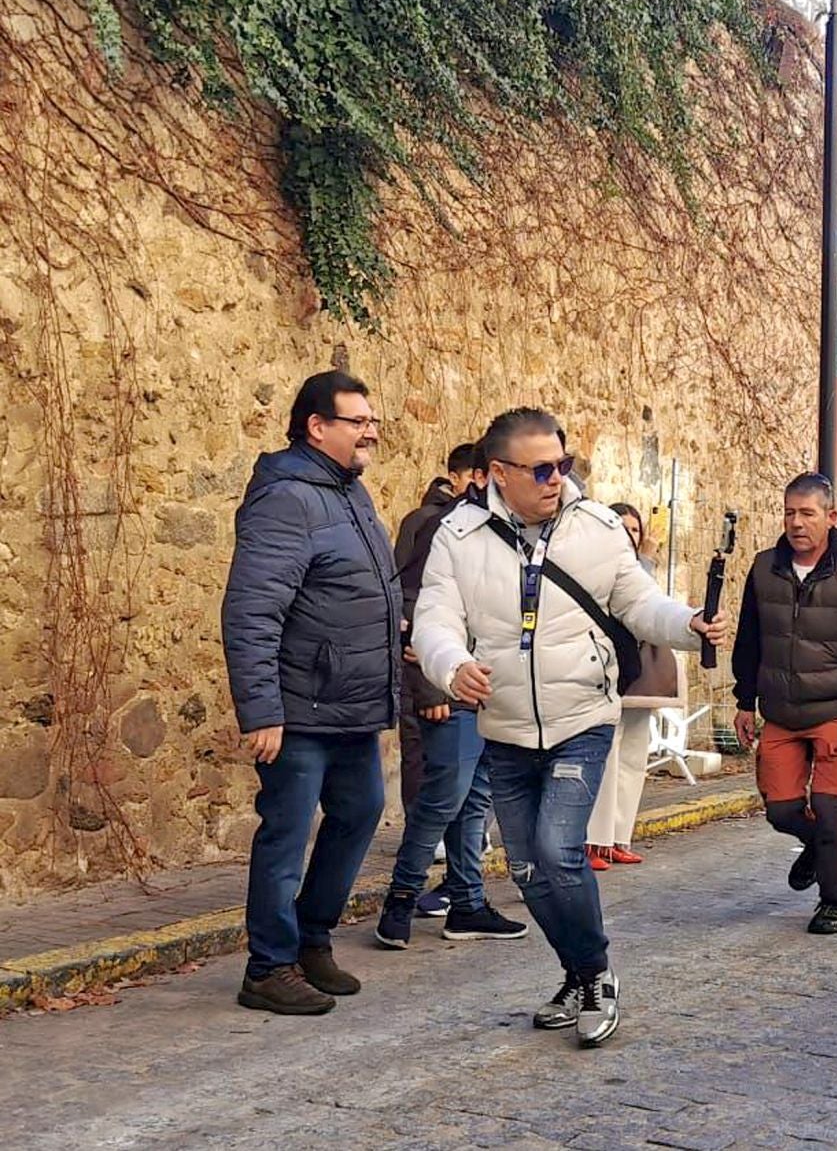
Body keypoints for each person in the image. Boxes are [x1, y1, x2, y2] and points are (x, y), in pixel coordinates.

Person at [414, 408, 724, 1047]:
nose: (557, 478)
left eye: (564, 464)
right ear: (499, 473)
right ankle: (578, 974)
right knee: (526, 869)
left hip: (582, 716)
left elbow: (638, 602)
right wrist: (454, 666)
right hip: (503, 728)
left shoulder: (596, 526)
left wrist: (687, 624)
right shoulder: (459, 536)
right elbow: (434, 621)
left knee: (559, 850)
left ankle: (598, 974)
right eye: (541, 469)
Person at [221, 370, 401, 1015]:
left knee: (359, 813)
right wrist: (262, 710)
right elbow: (252, 609)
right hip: (299, 709)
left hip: (349, 706)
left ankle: (312, 940)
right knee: (286, 835)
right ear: (316, 426)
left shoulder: (349, 493)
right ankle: (268, 967)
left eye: (373, 421)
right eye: (358, 421)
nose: (371, 432)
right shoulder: (286, 498)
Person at [375, 445, 525, 948]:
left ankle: (467, 903)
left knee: (473, 800)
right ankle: (400, 900)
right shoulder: (438, 527)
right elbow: (411, 612)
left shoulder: (505, 532)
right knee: (443, 799)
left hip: (490, 691)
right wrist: (430, 686)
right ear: (483, 476)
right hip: (451, 686)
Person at [731, 473, 837, 935]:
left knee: (827, 807)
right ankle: (814, 846)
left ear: (830, 516)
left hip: (833, 712)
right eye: (789, 513)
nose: (796, 523)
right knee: (781, 811)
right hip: (780, 711)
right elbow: (749, 640)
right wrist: (745, 701)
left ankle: (836, 900)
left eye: (807, 513)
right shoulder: (764, 568)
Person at [582, 503, 664, 871]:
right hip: (606, 675)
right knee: (607, 757)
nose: (630, 535)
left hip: (638, 675)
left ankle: (618, 836)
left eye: (635, 529)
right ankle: (593, 841)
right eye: (623, 528)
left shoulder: (640, 570)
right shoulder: (599, 566)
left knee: (633, 758)